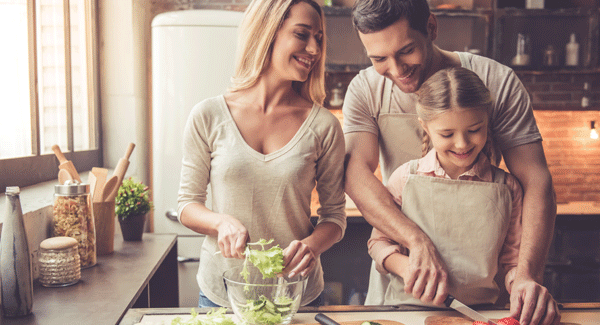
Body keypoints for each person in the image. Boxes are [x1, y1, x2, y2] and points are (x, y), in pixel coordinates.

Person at [343, 1, 558, 324]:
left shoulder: (496, 81)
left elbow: (536, 181)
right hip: (403, 292)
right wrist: (415, 242)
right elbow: (355, 174)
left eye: (406, 51)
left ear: (431, 27)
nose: (397, 69)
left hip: (483, 302)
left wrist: (525, 275)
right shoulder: (365, 89)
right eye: (379, 59)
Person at [177, 0, 346, 308]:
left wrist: (311, 246)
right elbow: (187, 205)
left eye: (318, 38)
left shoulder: (324, 125)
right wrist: (220, 223)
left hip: (295, 296)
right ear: (268, 32)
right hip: (223, 294)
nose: (313, 49)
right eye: (302, 34)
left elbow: (334, 217)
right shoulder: (209, 115)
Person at [368, 66, 523, 309]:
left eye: (474, 130)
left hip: (480, 314)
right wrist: (405, 267)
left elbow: (513, 262)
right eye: (447, 134)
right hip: (409, 314)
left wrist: (522, 286)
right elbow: (378, 243)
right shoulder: (404, 178)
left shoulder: (508, 188)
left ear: (487, 121)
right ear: (426, 127)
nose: (462, 144)